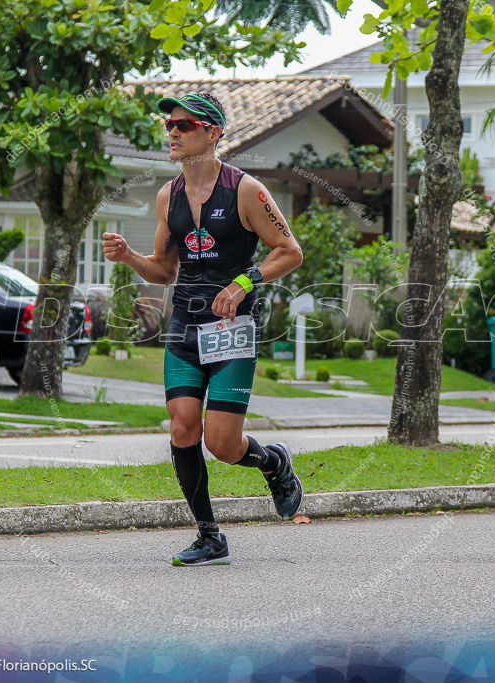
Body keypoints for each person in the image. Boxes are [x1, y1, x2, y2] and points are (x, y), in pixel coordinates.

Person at [102, 91, 304, 566]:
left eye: (184, 125)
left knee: (222, 444)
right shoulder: (166, 196)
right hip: (185, 327)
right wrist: (130, 257)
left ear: (212, 133)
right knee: (182, 427)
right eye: (170, 125)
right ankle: (210, 535)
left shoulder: (247, 191)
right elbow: (164, 271)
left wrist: (242, 282)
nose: (172, 131)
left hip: (233, 330)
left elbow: (290, 251)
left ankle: (274, 463)